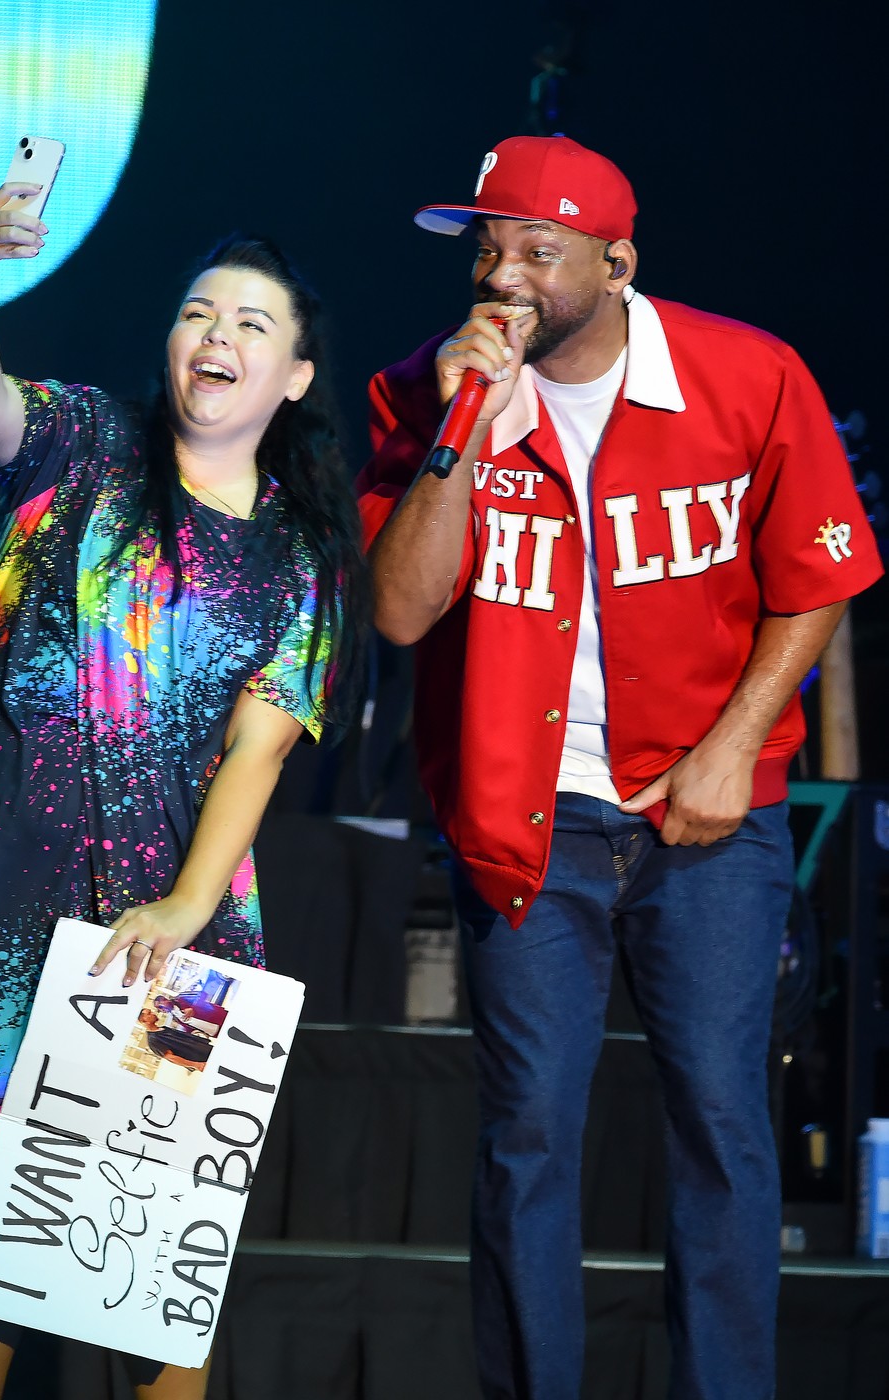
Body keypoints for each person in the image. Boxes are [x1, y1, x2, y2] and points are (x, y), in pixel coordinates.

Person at [356, 134, 882, 1400]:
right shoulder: (422, 393)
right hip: (525, 821)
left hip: (705, 817)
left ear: (616, 262)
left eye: (537, 250)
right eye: (487, 250)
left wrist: (729, 747)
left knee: (718, 1120)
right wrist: (459, 434)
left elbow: (819, 575)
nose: (503, 276)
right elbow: (401, 611)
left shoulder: (745, 375)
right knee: (526, 1133)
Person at [0, 178, 367, 1400]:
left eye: (251, 323)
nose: (217, 336)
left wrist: (187, 905)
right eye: (199, 312)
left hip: (167, 912)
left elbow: (258, 751)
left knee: (152, 1220)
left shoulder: (298, 555)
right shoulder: (87, 444)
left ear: (295, 376)